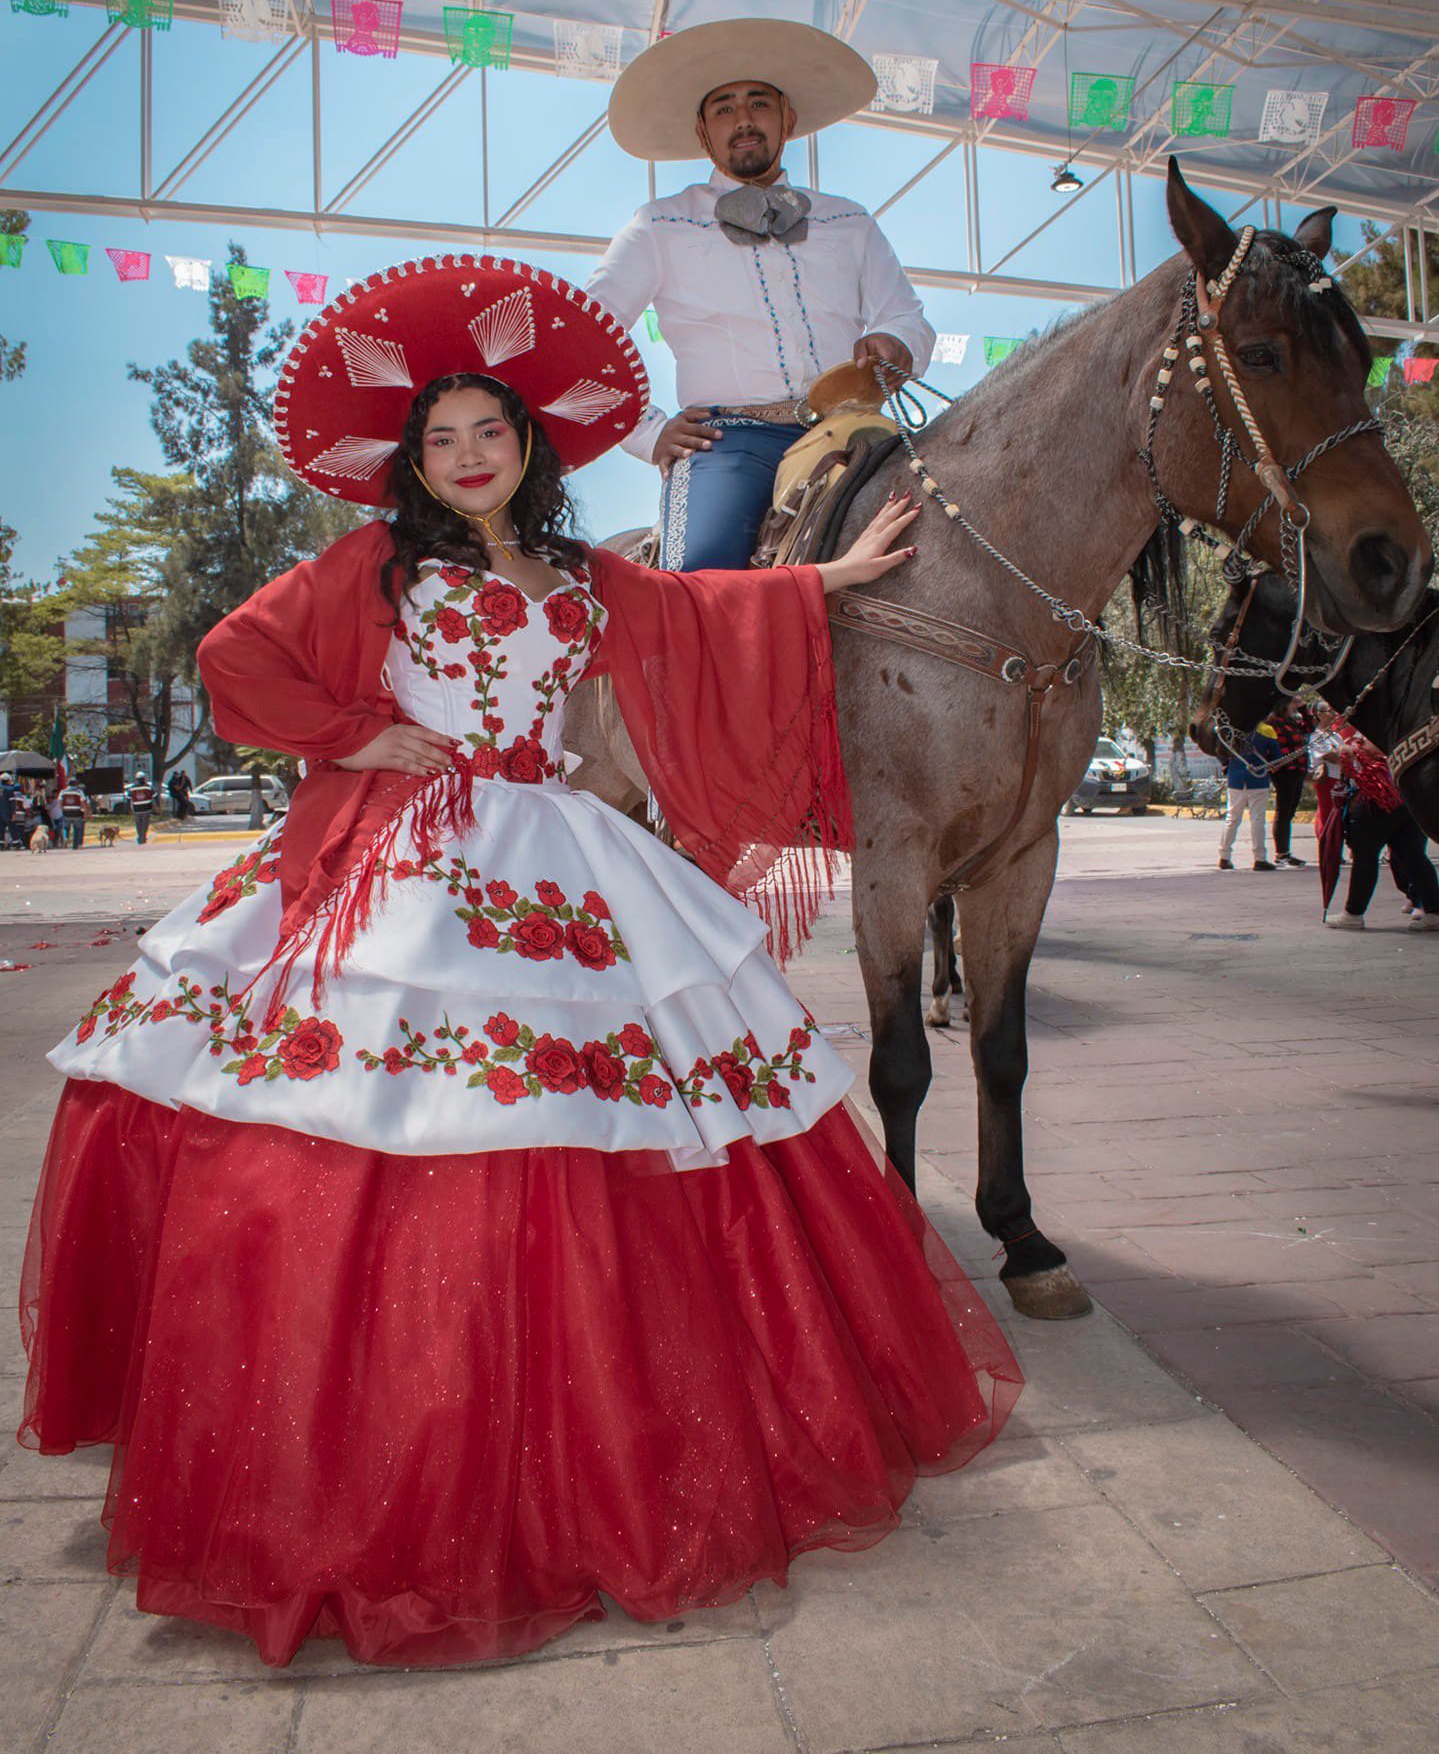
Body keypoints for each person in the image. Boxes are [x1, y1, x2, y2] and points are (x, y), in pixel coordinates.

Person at [20, 255, 1020, 1671]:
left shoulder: (581, 575)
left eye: (489, 432)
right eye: (441, 439)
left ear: (527, 446)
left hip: (557, 854)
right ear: (413, 462)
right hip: (408, 851)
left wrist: (836, 579)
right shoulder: (376, 566)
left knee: (607, 1116)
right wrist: (359, 737)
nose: (468, 455)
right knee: (375, 1107)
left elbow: (705, 614)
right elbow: (235, 655)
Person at [589, 17, 934, 570]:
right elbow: (588, 337)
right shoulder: (660, 224)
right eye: (724, 107)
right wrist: (648, 432)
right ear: (702, 132)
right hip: (727, 443)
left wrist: (895, 341)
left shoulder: (850, 219)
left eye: (758, 103)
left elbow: (908, 316)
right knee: (701, 579)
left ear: (788, 118)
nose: (743, 119)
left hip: (851, 432)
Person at [1311, 710, 1439, 930]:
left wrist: (1347, 750)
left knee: (1365, 857)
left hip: (1376, 800)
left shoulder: (1380, 725)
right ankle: (1434, 912)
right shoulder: (1405, 723)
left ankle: (1354, 913)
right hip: (1405, 799)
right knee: (1415, 857)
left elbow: (1371, 750)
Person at [1218, 724, 1279, 870]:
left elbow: (1219, 752)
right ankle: (1259, 858)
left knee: (1232, 818)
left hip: (1236, 778)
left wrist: (1228, 765)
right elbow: (1276, 756)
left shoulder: (1231, 730)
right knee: (1257, 819)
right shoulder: (1267, 730)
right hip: (1258, 778)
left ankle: (1224, 857)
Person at [1267, 699, 1315, 867]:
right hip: (1285, 771)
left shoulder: (1292, 721)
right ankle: (1281, 853)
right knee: (1284, 810)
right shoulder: (1273, 722)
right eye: (1292, 703)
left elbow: (1310, 728)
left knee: (1290, 810)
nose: (1294, 705)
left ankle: (1285, 851)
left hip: (1298, 770)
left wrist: (1303, 707)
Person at [57, 777, 88, 850]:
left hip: (66, 812)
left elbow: (60, 802)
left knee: (65, 827)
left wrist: (62, 809)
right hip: (77, 812)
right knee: (77, 828)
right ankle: (75, 845)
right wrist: (85, 812)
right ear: (76, 784)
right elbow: (83, 802)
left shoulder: (63, 791)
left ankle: (65, 838)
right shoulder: (79, 791)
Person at [127, 770, 155, 845]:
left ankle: (140, 837)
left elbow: (128, 798)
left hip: (136, 809)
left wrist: (129, 808)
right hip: (146, 808)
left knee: (138, 824)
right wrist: (157, 806)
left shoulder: (132, 788)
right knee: (145, 824)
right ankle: (142, 837)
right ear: (144, 778)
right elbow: (155, 796)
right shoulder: (148, 787)